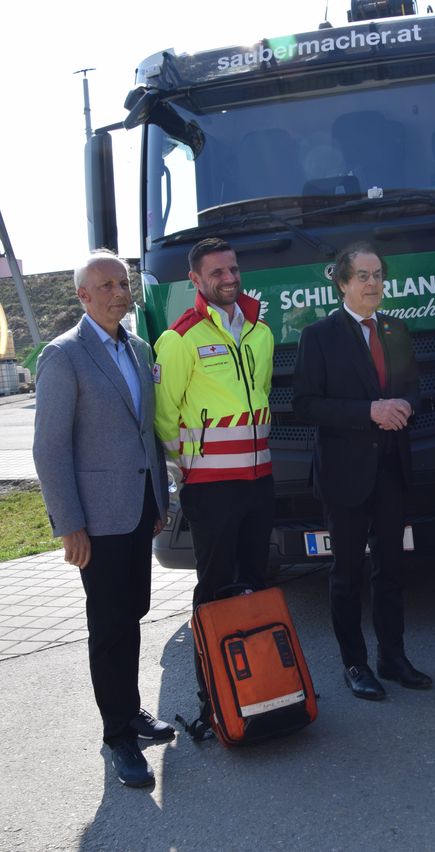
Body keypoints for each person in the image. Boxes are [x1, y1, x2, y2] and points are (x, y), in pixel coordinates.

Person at [33, 251, 171, 788]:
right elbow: (50, 449)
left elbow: (146, 433)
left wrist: (158, 499)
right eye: (105, 286)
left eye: (122, 282)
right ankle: (118, 737)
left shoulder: (137, 348)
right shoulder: (63, 356)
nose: (118, 292)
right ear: (83, 297)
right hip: (96, 520)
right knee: (108, 625)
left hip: (138, 511)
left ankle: (130, 707)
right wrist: (69, 524)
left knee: (131, 612)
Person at [293, 243, 431, 700]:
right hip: (344, 476)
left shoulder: (396, 329)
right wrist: (369, 410)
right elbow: (306, 405)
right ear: (343, 283)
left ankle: (393, 657)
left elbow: (414, 390)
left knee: (391, 570)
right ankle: (355, 664)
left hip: (392, 470)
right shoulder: (320, 335)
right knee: (347, 573)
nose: (373, 283)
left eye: (378, 275)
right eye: (363, 276)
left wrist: (403, 406)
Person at [153, 237, 275, 720]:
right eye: (217, 273)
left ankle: (260, 684)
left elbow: (259, 398)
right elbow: (164, 419)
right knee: (215, 589)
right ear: (196, 281)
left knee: (256, 584)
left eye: (233, 269)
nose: (228, 279)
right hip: (210, 489)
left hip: (259, 480)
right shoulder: (179, 338)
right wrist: (193, 465)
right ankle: (214, 696)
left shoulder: (260, 332)